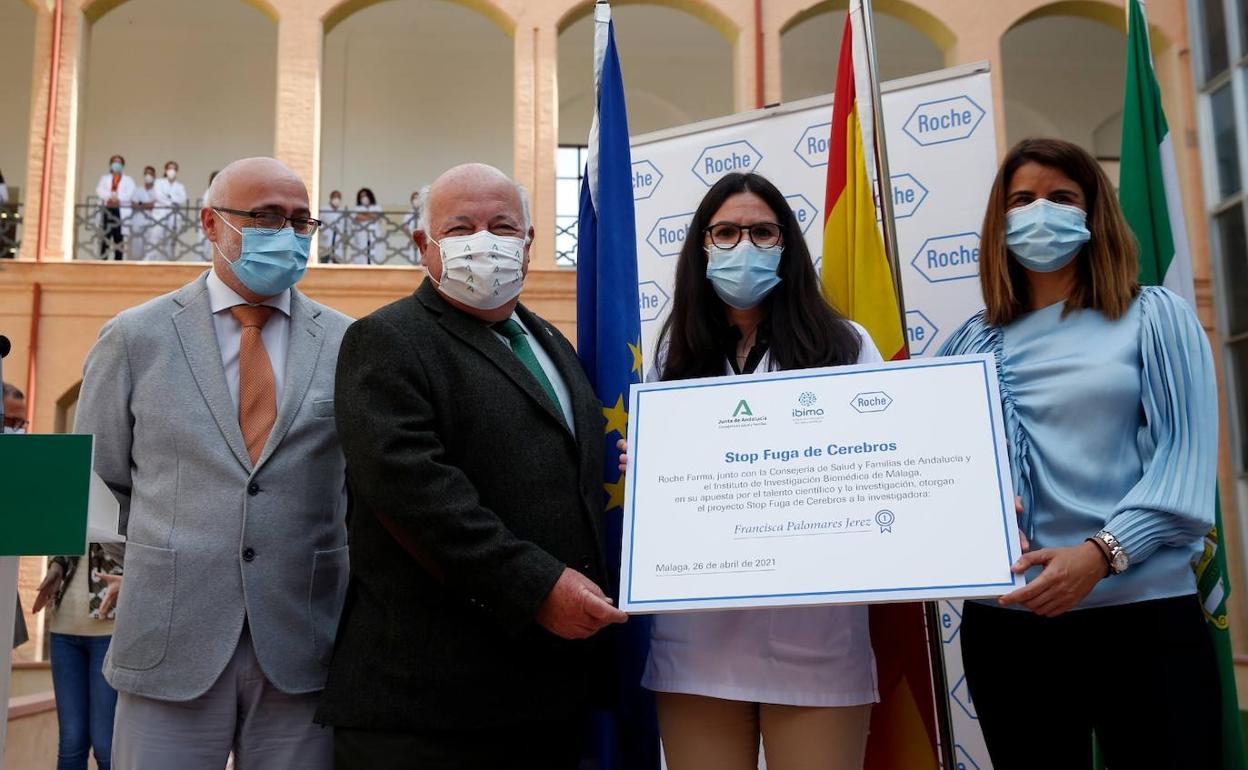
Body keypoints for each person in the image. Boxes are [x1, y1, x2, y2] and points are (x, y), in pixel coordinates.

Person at [315, 163, 626, 769]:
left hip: (548, 694)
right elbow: (416, 493)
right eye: (460, 227)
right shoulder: (387, 340)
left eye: (502, 225)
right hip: (431, 708)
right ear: (423, 245)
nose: (484, 241)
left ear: (530, 244)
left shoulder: (553, 344)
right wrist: (536, 588)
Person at [938, 137, 1221, 769]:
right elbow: (933, 470)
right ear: (999, 221)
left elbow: (1185, 461)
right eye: (1022, 199)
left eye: (1061, 197)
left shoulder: (1155, 316)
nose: (1041, 211)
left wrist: (1100, 555)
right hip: (1011, 628)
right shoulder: (964, 345)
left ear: (1093, 212)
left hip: (1143, 617)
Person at [75, 156, 352, 770]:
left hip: (303, 641)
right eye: (265, 216)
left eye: (300, 220)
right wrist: (116, 576)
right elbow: (97, 481)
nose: (287, 232)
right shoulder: (134, 337)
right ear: (210, 223)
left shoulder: (346, 344)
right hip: (167, 639)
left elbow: (360, 490)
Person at [617, 172, 878, 770]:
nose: (744, 246)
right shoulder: (671, 356)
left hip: (816, 635)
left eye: (763, 232)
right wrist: (651, 473)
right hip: (699, 638)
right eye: (727, 232)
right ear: (702, 246)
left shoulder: (845, 344)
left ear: (786, 245)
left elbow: (882, 459)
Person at [32, 543, 125, 770]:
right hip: (63, 630)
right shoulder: (69, 506)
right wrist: (56, 566)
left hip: (109, 630)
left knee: (105, 745)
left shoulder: (125, 506)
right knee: (71, 743)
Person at [94, 155, 134, 260]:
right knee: (105, 236)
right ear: (110, 164)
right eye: (114, 162)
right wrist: (110, 197)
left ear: (122, 165)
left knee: (118, 238)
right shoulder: (104, 178)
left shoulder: (128, 180)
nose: (116, 164)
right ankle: (103, 260)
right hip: (107, 209)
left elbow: (130, 192)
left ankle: (118, 261)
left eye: (119, 162)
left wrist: (118, 199)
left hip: (120, 211)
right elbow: (99, 190)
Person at [149, 160, 189, 261]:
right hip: (160, 214)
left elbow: (182, 199)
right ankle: (152, 261)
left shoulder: (180, 186)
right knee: (155, 239)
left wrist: (169, 197)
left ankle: (168, 261)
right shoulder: (159, 182)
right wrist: (172, 201)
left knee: (170, 240)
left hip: (173, 216)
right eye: (170, 168)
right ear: (166, 170)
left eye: (174, 169)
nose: (172, 171)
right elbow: (158, 196)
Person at [128, 166, 157, 261]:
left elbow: (154, 205)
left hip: (152, 221)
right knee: (136, 246)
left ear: (154, 176)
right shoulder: (138, 190)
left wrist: (141, 204)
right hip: (138, 220)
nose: (148, 176)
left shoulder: (157, 191)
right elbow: (134, 204)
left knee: (151, 246)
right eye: (146, 174)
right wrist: (147, 204)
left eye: (150, 174)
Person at [349, 187, 383, 265]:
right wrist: (371, 216)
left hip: (375, 235)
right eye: (362, 196)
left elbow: (377, 216)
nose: (364, 198)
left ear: (370, 196)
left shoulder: (377, 207)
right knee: (362, 255)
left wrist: (364, 214)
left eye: (365, 195)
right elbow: (357, 217)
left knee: (374, 256)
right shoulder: (357, 208)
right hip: (362, 235)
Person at [320, 190, 346, 263]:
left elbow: (345, 225)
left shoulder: (342, 211)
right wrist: (323, 231)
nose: (336, 199)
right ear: (331, 198)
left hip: (338, 240)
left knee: (337, 261)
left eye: (338, 197)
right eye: (335, 196)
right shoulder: (324, 209)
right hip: (326, 239)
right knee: (324, 259)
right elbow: (318, 222)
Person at [403, 190, 423, 265]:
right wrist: (412, 239)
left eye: (417, 198)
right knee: (412, 261)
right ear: (411, 201)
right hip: (411, 241)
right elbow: (405, 228)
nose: (416, 200)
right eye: (414, 198)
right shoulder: (408, 214)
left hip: (422, 241)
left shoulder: (423, 213)